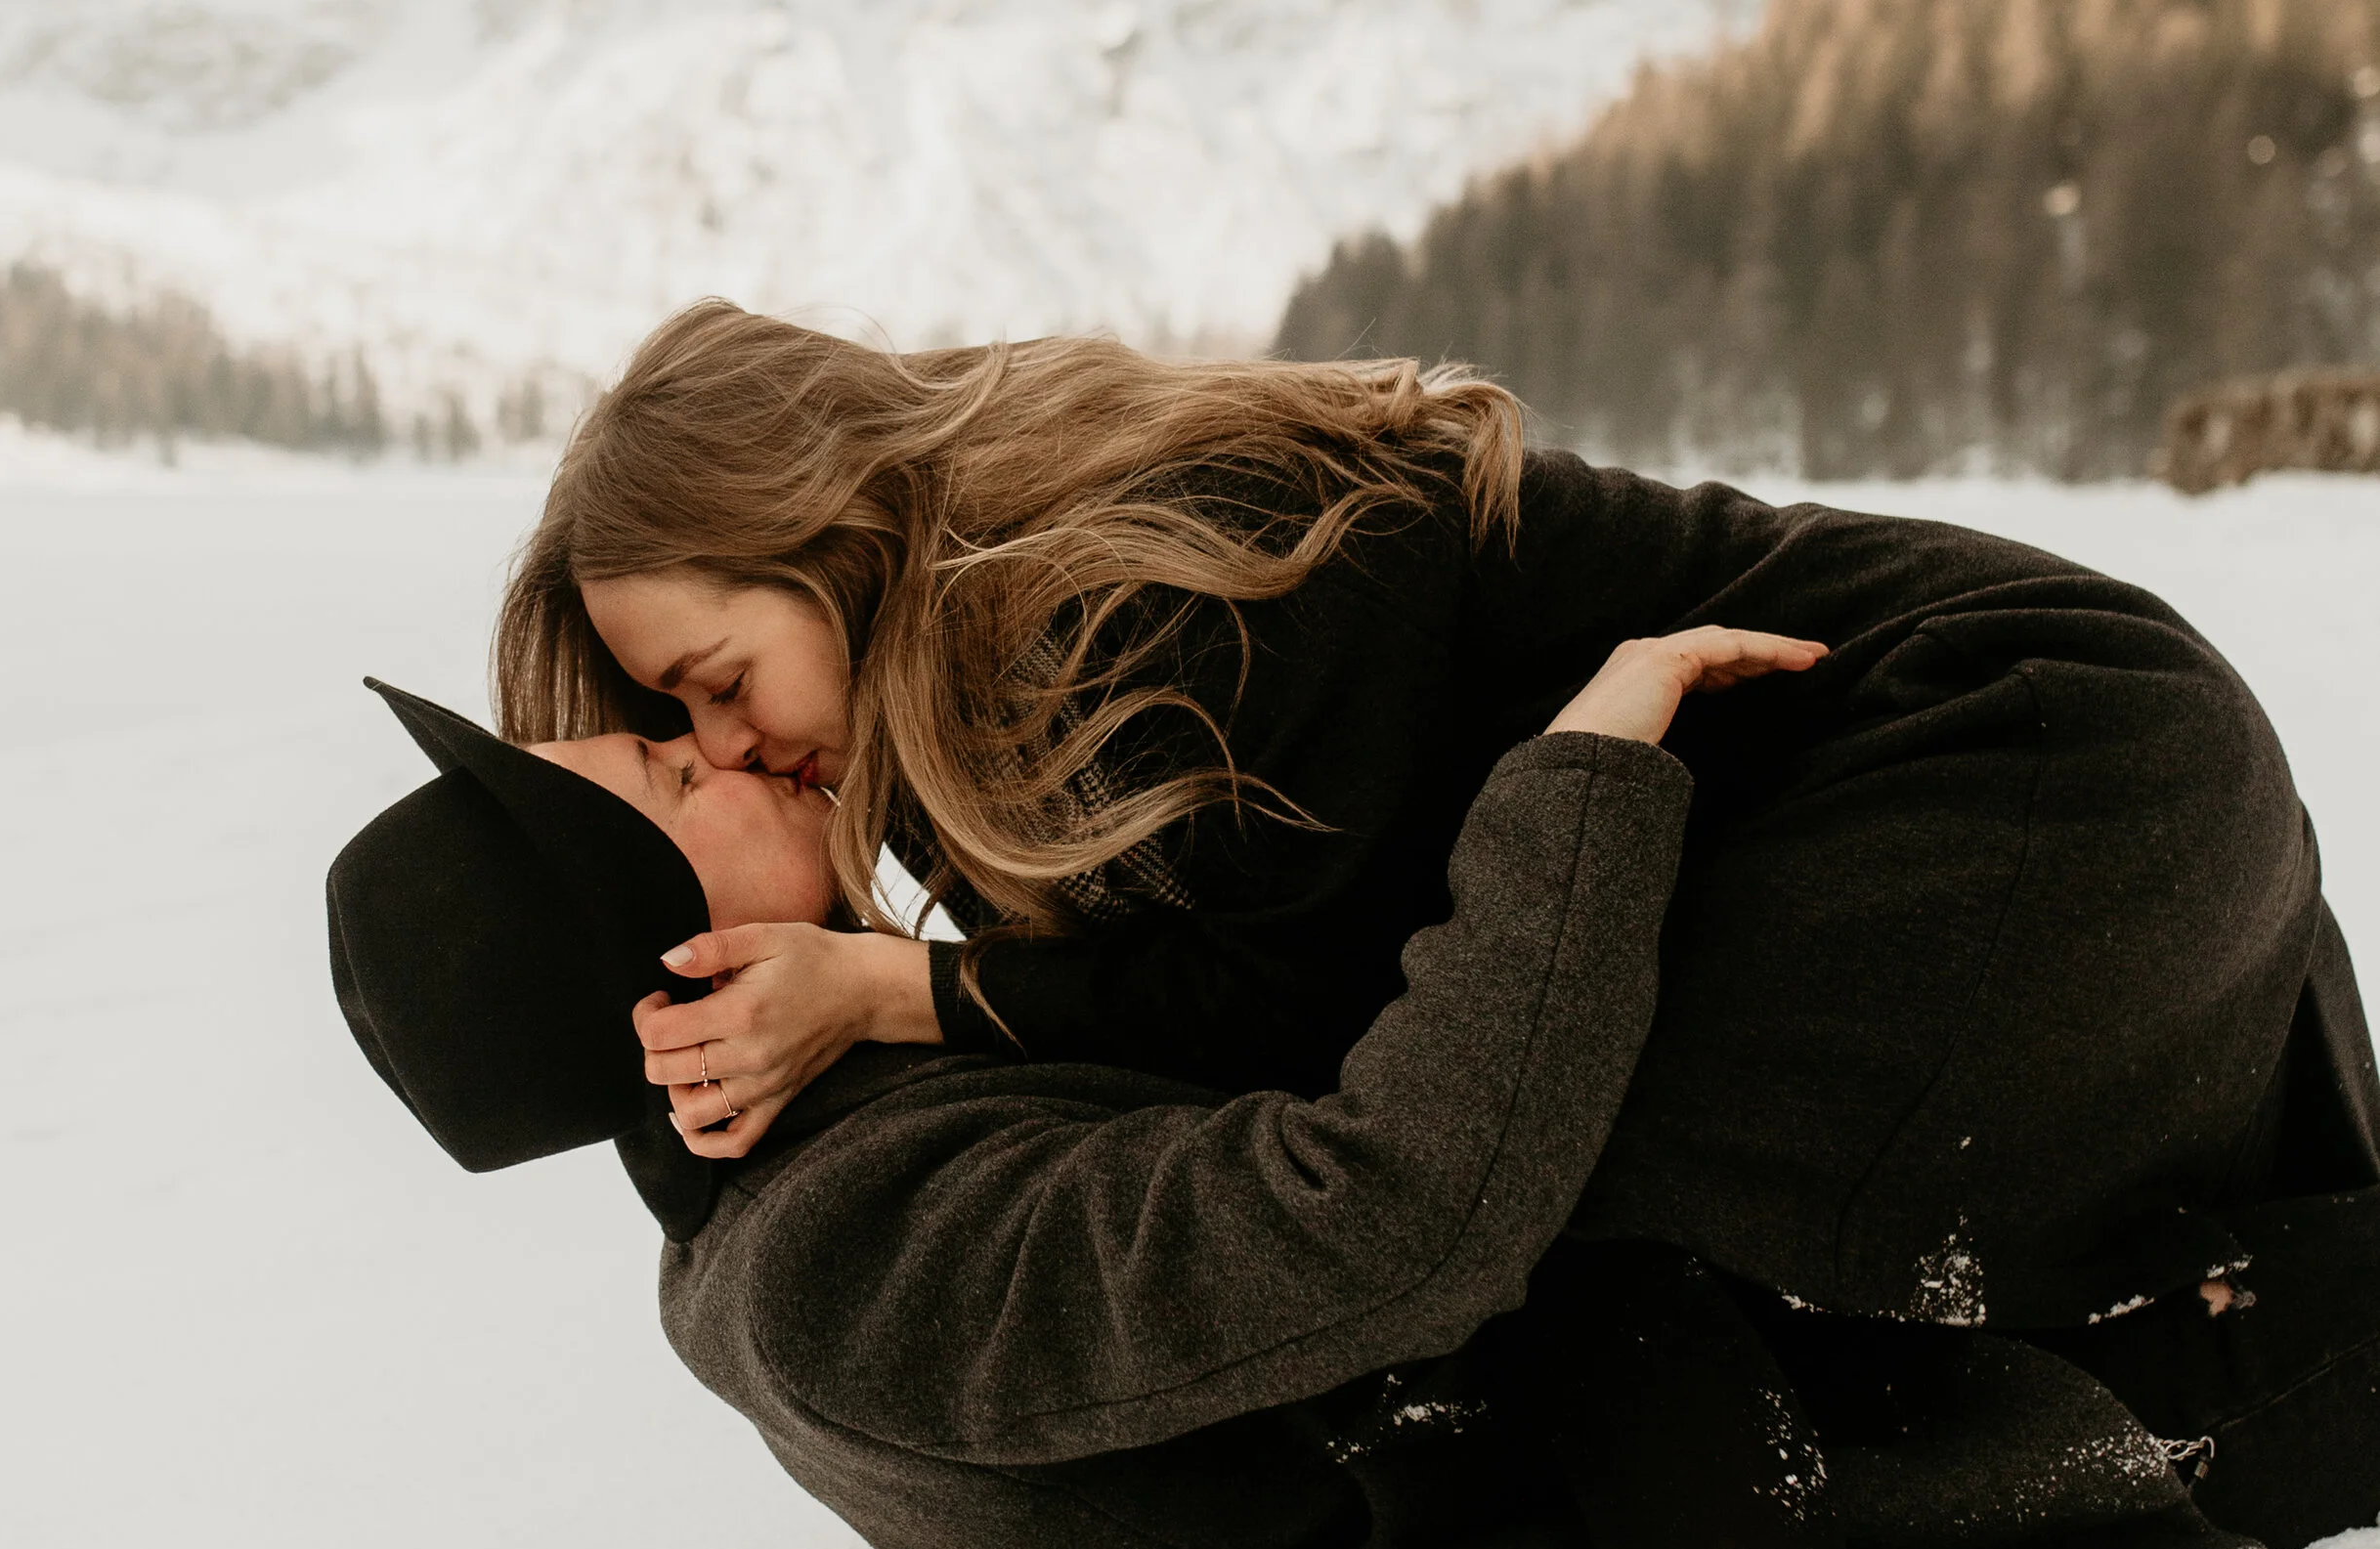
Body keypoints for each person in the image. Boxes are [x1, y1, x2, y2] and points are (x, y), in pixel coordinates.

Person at [326, 662, 2380, 1549]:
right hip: (1890, 1452)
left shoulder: (853, 1120)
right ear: (678, 949)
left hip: (1790, 1336)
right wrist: (1584, 765)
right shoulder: (840, 1272)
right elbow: (1388, 1216)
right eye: (676, 773)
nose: (736, 741)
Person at [491, 304, 2371, 1346]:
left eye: (723, 676)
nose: (731, 740)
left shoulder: (1150, 590)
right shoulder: (1005, 679)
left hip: (2008, 747)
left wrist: (898, 995)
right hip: (2007, 777)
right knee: (1549, 1197)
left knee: (1570, 1239)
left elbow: (1315, 1010)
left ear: (832, 531)